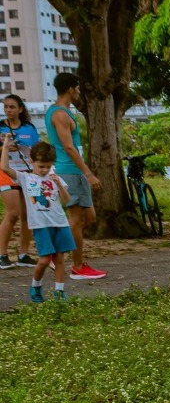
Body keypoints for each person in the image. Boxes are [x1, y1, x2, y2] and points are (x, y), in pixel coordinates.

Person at [45, 72, 105, 279]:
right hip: (69, 171)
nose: (79, 91)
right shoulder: (60, 114)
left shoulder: (64, 112)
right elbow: (69, 148)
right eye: (77, 87)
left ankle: (56, 251)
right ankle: (77, 266)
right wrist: (88, 173)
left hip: (75, 171)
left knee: (90, 217)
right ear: (70, 89)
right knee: (77, 220)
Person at [2, 138, 73, 303]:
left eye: (48, 166)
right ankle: (36, 286)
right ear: (31, 161)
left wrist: (58, 184)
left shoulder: (55, 178)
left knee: (60, 258)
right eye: (41, 166)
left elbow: (66, 200)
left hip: (59, 223)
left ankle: (59, 292)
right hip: (41, 225)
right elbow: (5, 167)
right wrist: (5, 147)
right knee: (43, 260)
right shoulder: (25, 178)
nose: (44, 170)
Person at [0, 94, 38, 269]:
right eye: (6, 107)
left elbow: (36, 151)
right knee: (12, 213)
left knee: (27, 215)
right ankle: (2, 255)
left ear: (20, 109)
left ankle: (23, 254)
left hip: (26, 174)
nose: (8, 110)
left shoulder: (29, 128)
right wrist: (5, 147)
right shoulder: (0, 127)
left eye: (12, 107)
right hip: (6, 173)